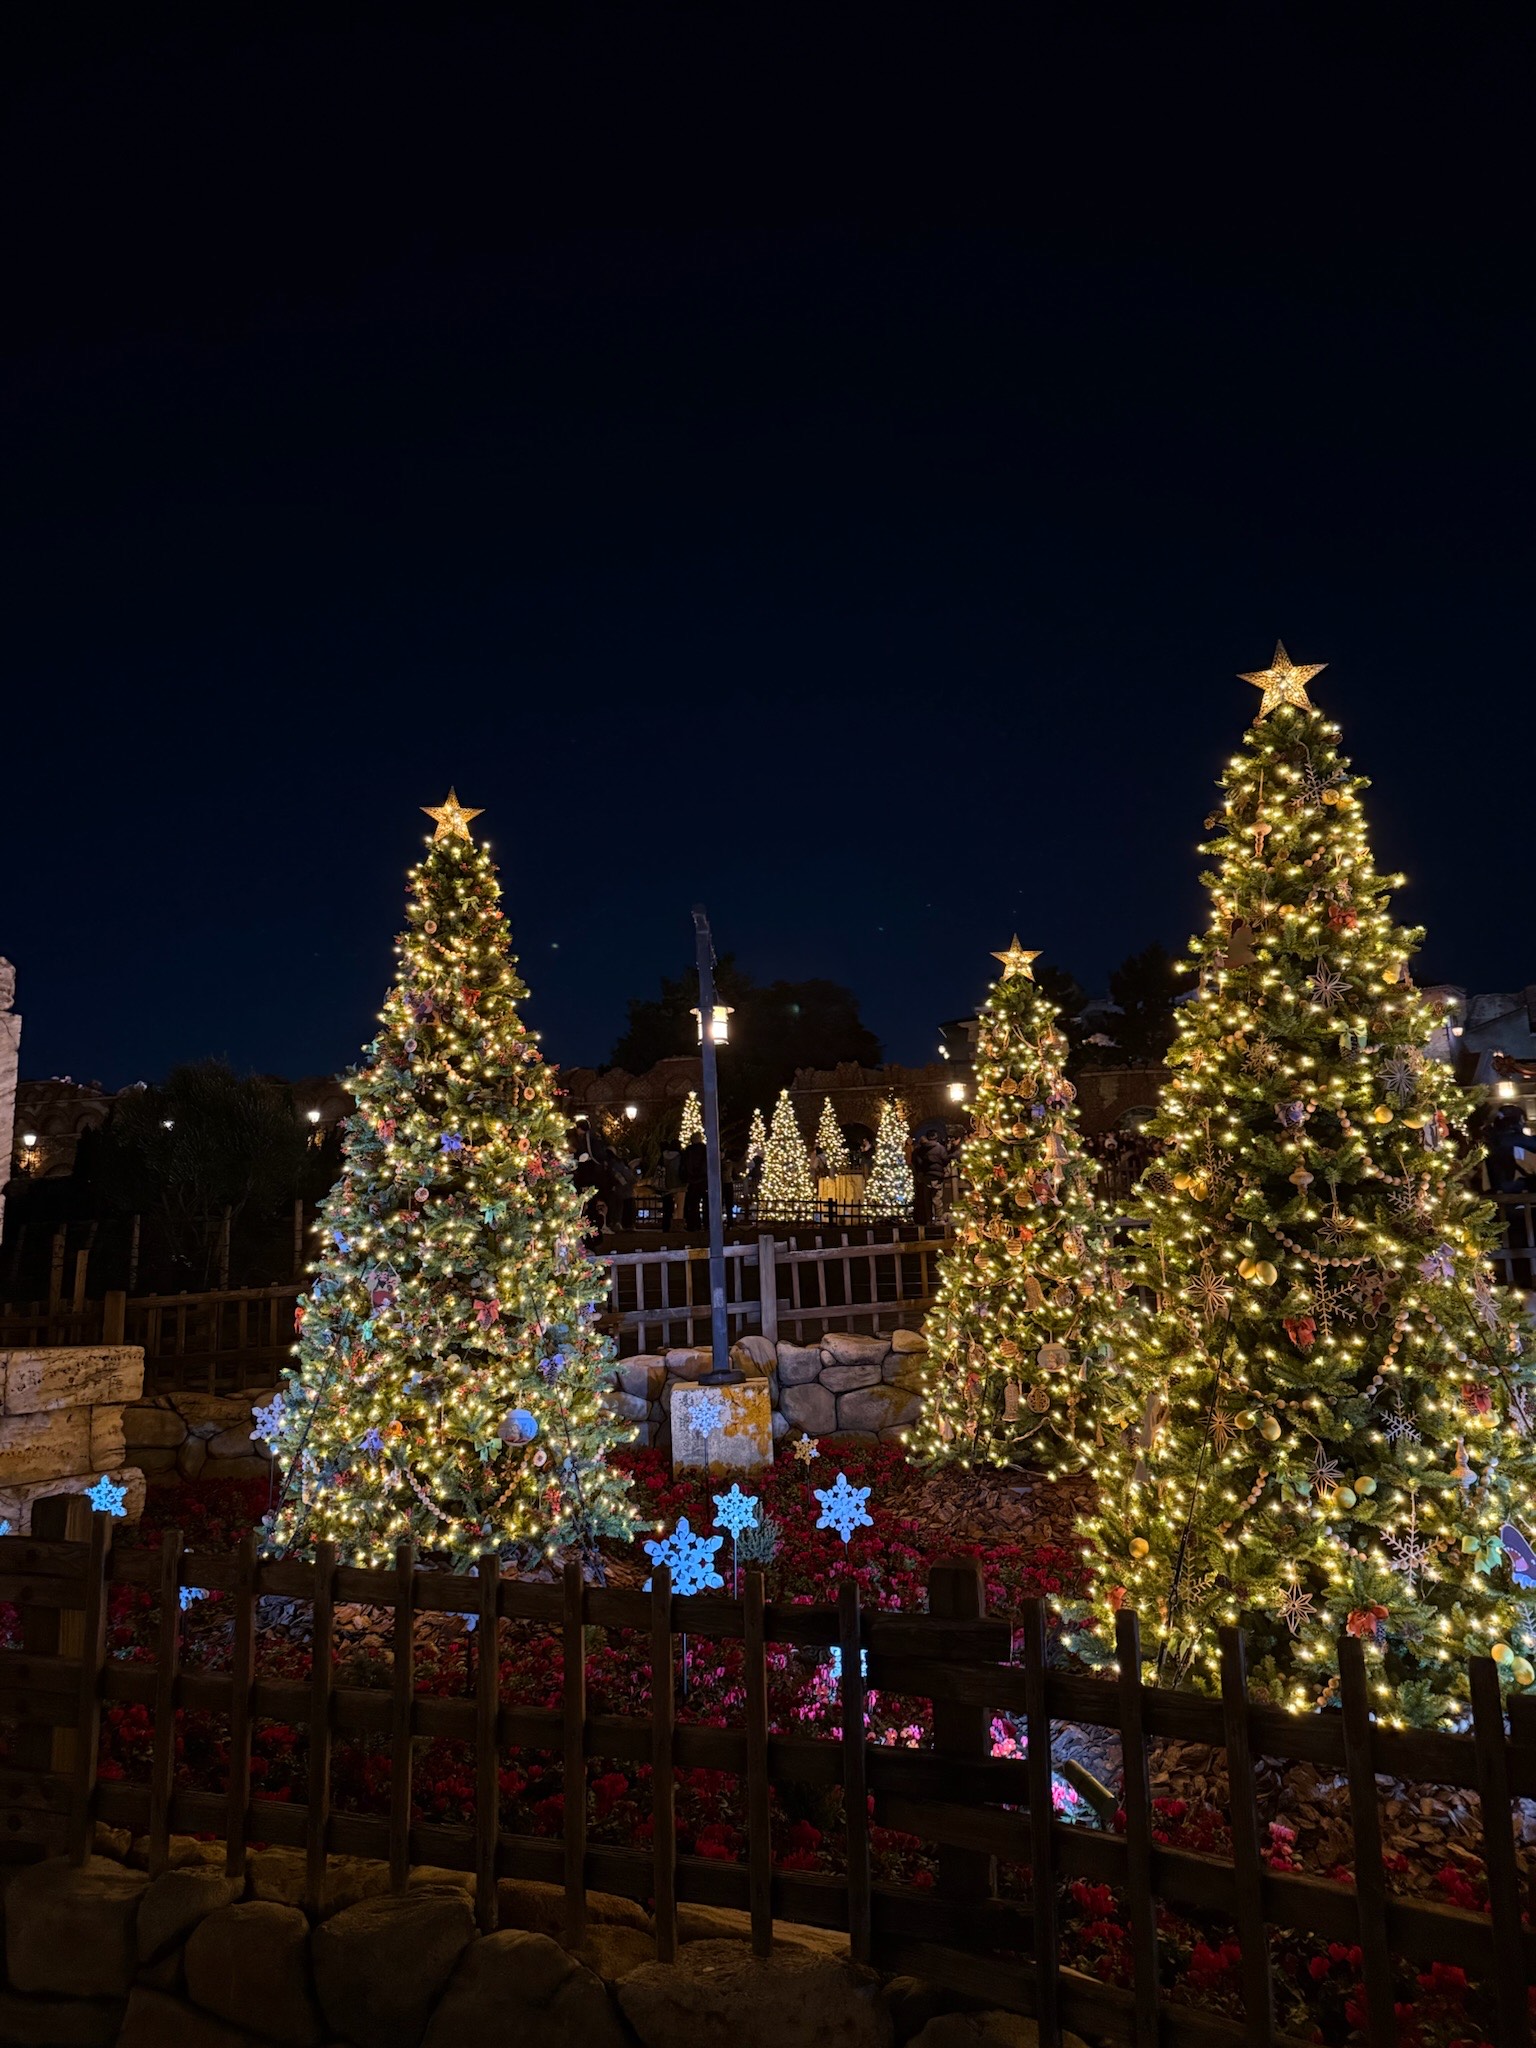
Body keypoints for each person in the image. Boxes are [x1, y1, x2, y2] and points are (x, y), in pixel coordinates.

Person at [1486, 1104, 1536, 1194]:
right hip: (1516, 1187)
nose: (1524, 1123)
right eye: (1522, 1119)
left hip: (1499, 1188)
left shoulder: (1493, 1139)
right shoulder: (1513, 1138)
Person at [681, 1134, 709, 1231]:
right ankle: (707, 1223)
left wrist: (690, 1176)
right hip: (704, 1180)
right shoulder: (705, 1149)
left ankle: (694, 1224)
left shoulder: (688, 1150)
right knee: (706, 1204)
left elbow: (686, 1164)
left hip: (692, 1181)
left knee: (693, 1205)